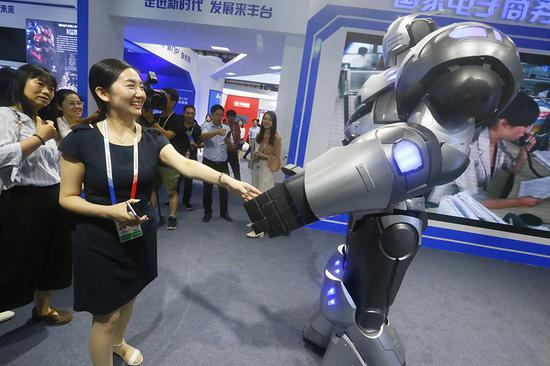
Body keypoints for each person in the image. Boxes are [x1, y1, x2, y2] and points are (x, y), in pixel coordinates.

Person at [58, 58, 259, 366]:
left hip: (138, 228)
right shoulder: (82, 139)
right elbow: (67, 198)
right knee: (106, 316)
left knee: (129, 296)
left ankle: (119, 344)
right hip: (98, 234)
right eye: (130, 85)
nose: (140, 93)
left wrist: (225, 179)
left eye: (141, 86)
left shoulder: (151, 137)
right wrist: (109, 211)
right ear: (103, 93)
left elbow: (185, 163)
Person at [0, 64, 73, 326]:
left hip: (52, 198)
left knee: (52, 258)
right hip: (22, 200)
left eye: (51, 88)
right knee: (12, 262)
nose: (46, 91)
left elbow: (50, 164)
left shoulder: (42, 121)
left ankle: (43, 309)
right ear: (21, 82)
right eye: (39, 83)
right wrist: (39, 139)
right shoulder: (6, 115)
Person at [431, 91, 543, 209]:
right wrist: (519, 202)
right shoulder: (468, 149)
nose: (528, 132)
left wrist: (524, 148)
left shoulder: (499, 143)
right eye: (526, 126)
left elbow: (514, 168)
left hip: (470, 200)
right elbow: (474, 201)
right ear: (503, 124)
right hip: (443, 208)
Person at [151, 88, 185, 230]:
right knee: (152, 190)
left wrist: (151, 121)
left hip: (169, 162)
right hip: (152, 159)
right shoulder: (156, 116)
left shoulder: (177, 119)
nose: (162, 99)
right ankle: (153, 216)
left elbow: (167, 135)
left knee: (171, 191)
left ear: (173, 102)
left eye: (165, 97)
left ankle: (172, 216)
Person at [247, 111, 282, 238]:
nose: (266, 121)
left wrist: (262, 155)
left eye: (269, 120)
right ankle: (256, 222)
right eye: (265, 119)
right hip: (256, 167)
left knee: (263, 198)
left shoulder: (276, 138)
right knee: (255, 196)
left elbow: (277, 157)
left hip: (266, 169)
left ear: (273, 122)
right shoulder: (260, 134)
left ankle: (260, 230)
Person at [201, 104, 235, 222]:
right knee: (207, 189)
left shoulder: (227, 128)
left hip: (222, 162)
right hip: (208, 162)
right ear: (212, 115)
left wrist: (228, 143)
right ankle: (207, 212)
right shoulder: (205, 126)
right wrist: (216, 132)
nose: (219, 117)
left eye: (221, 115)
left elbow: (231, 147)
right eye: (217, 115)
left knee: (224, 188)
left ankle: (224, 212)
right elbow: (203, 137)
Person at [180, 105, 203, 210]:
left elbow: (200, 142)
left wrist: (196, 145)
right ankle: (172, 199)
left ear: (194, 114)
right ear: (184, 113)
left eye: (192, 113)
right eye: (187, 113)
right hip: (178, 156)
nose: (190, 115)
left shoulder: (197, 128)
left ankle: (186, 201)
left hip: (191, 157)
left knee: (189, 182)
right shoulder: (178, 125)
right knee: (174, 181)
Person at [225, 109, 241, 180]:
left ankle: (239, 184)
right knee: (224, 169)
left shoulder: (236, 126)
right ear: (227, 117)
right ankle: (227, 183)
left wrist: (236, 146)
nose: (232, 118)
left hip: (233, 151)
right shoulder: (223, 125)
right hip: (224, 151)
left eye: (233, 116)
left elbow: (238, 137)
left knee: (236, 170)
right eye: (230, 116)